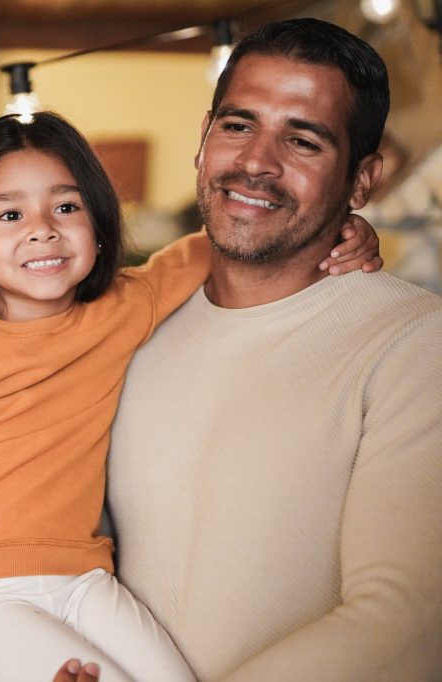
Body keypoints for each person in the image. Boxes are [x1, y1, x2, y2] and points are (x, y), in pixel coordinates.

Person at [0, 111, 380, 682]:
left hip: (85, 581)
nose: (42, 228)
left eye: (66, 207)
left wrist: (341, 228)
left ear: (98, 227)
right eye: (9, 214)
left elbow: (229, 243)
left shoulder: (127, 305)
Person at [106, 18, 442, 682]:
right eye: (238, 126)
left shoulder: (413, 343)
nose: (257, 162)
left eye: (303, 140)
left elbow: (407, 625)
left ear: (362, 181)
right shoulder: (131, 330)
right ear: (202, 140)